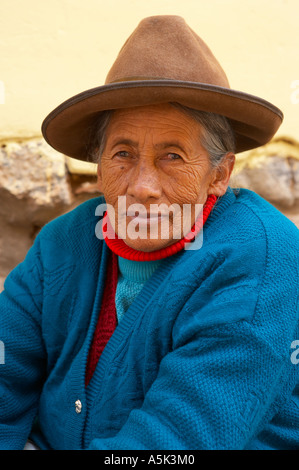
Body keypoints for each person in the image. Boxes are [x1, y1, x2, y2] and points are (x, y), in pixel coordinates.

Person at [0, 15, 298, 450]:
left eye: (172, 156)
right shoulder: (62, 243)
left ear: (220, 173)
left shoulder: (263, 259)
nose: (142, 187)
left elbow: (173, 445)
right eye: (123, 153)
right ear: (99, 166)